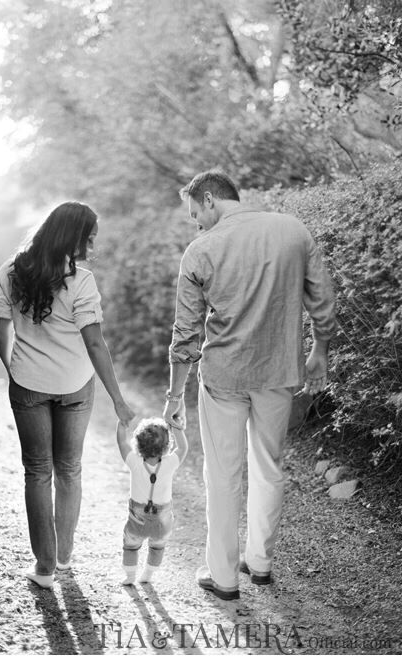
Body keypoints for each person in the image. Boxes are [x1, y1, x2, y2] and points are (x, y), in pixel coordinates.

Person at [163, 170, 336, 601]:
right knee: (269, 464)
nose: (196, 223)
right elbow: (323, 300)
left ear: (209, 199)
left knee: (222, 474)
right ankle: (260, 563)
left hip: (224, 376)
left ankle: (223, 577)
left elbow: (185, 336)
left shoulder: (201, 250)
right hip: (279, 372)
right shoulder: (293, 231)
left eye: (194, 214)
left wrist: (173, 396)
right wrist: (320, 352)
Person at [0, 201, 134, 589]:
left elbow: (0, 332)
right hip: (74, 385)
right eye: (90, 236)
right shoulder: (82, 281)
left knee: (37, 472)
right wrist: (119, 401)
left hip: (28, 385)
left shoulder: (11, 270)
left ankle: (45, 568)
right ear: (74, 236)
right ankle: (65, 558)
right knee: (68, 470)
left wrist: (15, 370)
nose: (93, 244)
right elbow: (94, 343)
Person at [116, 416, 188, 585]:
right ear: (166, 446)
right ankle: (148, 574)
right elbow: (183, 447)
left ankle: (130, 576)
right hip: (162, 522)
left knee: (131, 546)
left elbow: (121, 443)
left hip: (137, 520)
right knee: (157, 547)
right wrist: (176, 427)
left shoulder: (134, 462)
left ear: (138, 444)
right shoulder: (170, 463)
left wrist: (121, 425)